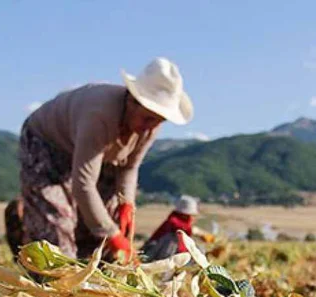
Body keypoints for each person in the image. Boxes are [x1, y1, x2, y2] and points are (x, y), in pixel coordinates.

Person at [11, 57, 193, 261]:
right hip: (47, 143)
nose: (150, 127)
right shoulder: (98, 116)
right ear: (132, 101)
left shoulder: (148, 127)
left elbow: (128, 168)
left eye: (159, 121)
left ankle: (92, 271)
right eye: (148, 118)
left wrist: (127, 203)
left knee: (106, 215)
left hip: (94, 153)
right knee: (57, 226)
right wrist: (111, 233)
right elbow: (84, 185)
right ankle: (39, 256)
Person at [141, 195, 213, 261]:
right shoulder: (172, 221)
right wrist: (199, 233)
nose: (191, 218)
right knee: (172, 238)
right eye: (190, 215)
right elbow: (181, 227)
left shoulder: (181, 222)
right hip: (154, 250)